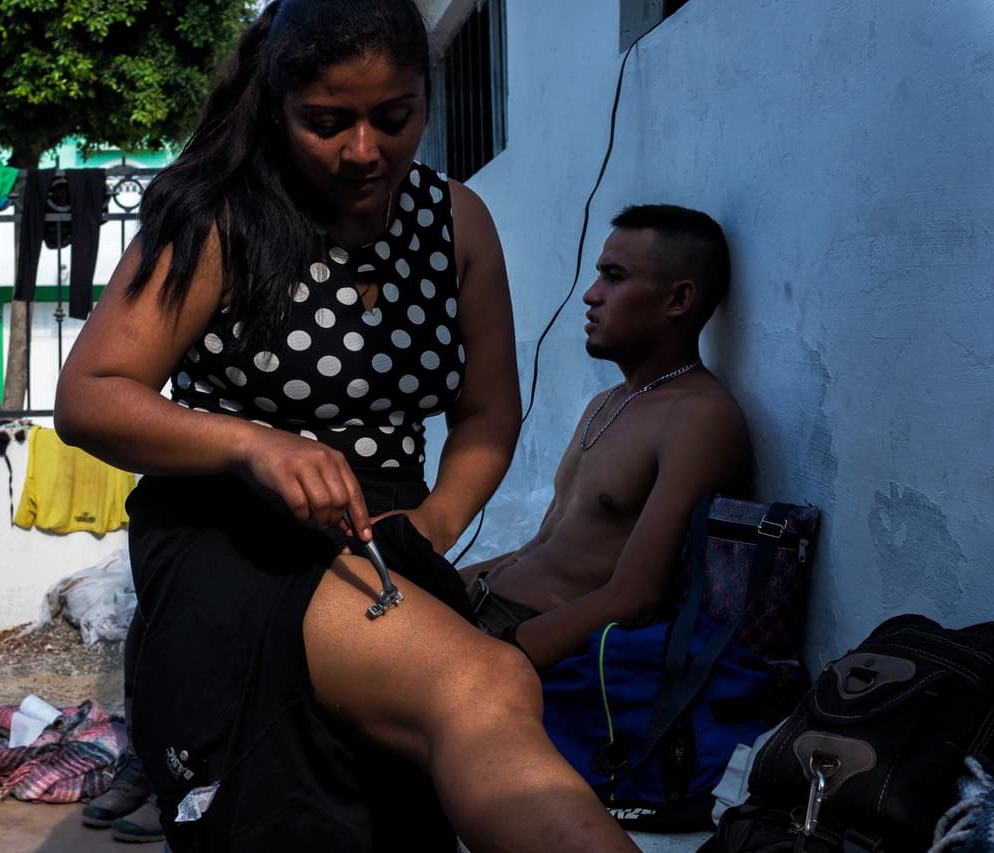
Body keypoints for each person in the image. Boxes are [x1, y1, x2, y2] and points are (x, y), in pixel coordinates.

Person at [54, 1, 640, 850]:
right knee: (482, 684)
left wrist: (435, 522)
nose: (365, 150)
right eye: (327, 123)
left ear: (425, 102)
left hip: (385, 533)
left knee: (421, 773)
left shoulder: (456, 221)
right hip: (232, 536)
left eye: (394, 118)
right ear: (276, 104)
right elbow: (91, 394)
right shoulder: (222, 218)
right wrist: (254, 444)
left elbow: (485, 413)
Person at [461, 204, 753, 672]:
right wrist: (439, 587)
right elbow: (548, 548)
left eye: (614, 278)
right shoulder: (605, 402)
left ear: (678, 300)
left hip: (529, 642)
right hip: (482, 610)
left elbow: (634, 597)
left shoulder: (699, 417)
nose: (591, 296)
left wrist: (495, 658)